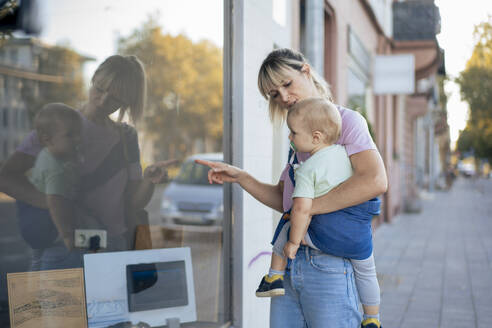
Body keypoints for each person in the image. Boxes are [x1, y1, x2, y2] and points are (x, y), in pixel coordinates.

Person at [196, 48, 387, 328]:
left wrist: (306, 209)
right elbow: (286, 200)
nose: (284, 97)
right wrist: (241, 177)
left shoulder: (346, 122)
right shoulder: (296, 141)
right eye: (274, 94)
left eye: (287, 84)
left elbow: (375, 181)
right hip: (289, 266)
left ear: (306, 71)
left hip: (330, 266)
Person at [0, 55, 176, 270]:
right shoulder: (59, 124)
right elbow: (6, 177)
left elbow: (133, 204)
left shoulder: (126, 138)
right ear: (93, 78)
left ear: (127, 102)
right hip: (64, 247)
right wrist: (53, 202)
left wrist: (148, 181)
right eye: (100, 90)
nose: (103, 101)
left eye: (115, 99)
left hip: (112, 246)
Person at [254, 98, 382, 328]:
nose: (290, 138)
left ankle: (274, 275)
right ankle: (372, 317)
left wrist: (293, 243)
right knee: (366, 273)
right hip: (358, 238)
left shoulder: (307, 169)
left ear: (315, 137)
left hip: (324, 241)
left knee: (287, 223)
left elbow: (302, 209)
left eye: (293, 133)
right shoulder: (345, 154)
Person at [16, 103, 82, 257]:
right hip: (44, 223)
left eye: (79, 133)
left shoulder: (48, 154)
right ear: (48, 139)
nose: (78, 139)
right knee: (49, 260)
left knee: (38, 258)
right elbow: (55, 203)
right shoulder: (55, 168)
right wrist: (66, 234)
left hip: (34, 221)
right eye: (70, 135)